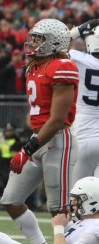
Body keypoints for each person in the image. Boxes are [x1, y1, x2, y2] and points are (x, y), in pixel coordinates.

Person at [0, 18, 78, 244]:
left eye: (39, 39)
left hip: (58, 141)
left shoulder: (62, 66)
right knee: (11, 200)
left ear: (54, 43)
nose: (32, 43)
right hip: (38, 139)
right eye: (33, 37)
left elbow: (56, 120)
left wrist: (27, 149)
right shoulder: (34, 66)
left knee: (60, 209)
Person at [69, 20, 99, 183]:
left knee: (77, 196)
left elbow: (53, 45)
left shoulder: (79, 59)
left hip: (84, 135)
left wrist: (77, 31)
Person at [0, 123, 22, 210]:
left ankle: (9, 205)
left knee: (9, 187)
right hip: (1, 166)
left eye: (10, 130)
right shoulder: (3, 139)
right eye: (6, 130)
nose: (7, 132)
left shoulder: (17, 141)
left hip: (11, 167)